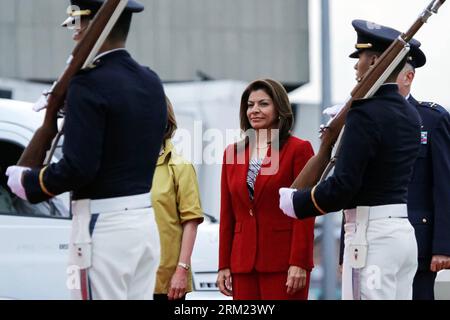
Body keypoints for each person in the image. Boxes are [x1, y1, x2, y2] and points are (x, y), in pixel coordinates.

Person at [6, 0, 167, 300]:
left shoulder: (88, 84)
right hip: (144, 224)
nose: (74, 33)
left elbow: (79, 168)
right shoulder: (150, 81)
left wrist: (29, 182)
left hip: (102, 228)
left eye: (77, 24)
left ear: (94, 26)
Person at [279, 20, 422, 300]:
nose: (356, 68)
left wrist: (298, 202)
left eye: (360, 59)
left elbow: (344, 186)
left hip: (371, 238)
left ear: (375, 62)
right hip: (402, 235)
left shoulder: (364, 113)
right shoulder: (410, 115)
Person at [217, 79, 315, 300]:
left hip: (283, 264)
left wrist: (299, 262)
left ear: (279, 108)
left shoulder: (299, 149)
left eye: (263, 104)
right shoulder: (232, 153)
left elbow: (304, 213)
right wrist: (224, 264)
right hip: (242, 265)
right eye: (250, 105)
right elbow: (227, 214)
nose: (255, 110)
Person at [396, 42, 450, 300]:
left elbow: (444, 186)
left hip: (419, 242)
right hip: (369, 243)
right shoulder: (362, 119)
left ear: (408, 76)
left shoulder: (432, 119)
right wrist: (344, 250)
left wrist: (443, 247)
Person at [151, 98, 204, 300]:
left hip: (167, 281)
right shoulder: (128, 167)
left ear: (166, 122)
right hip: (131, 276)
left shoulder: (181, 166)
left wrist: (181, 270)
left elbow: (191, 221)